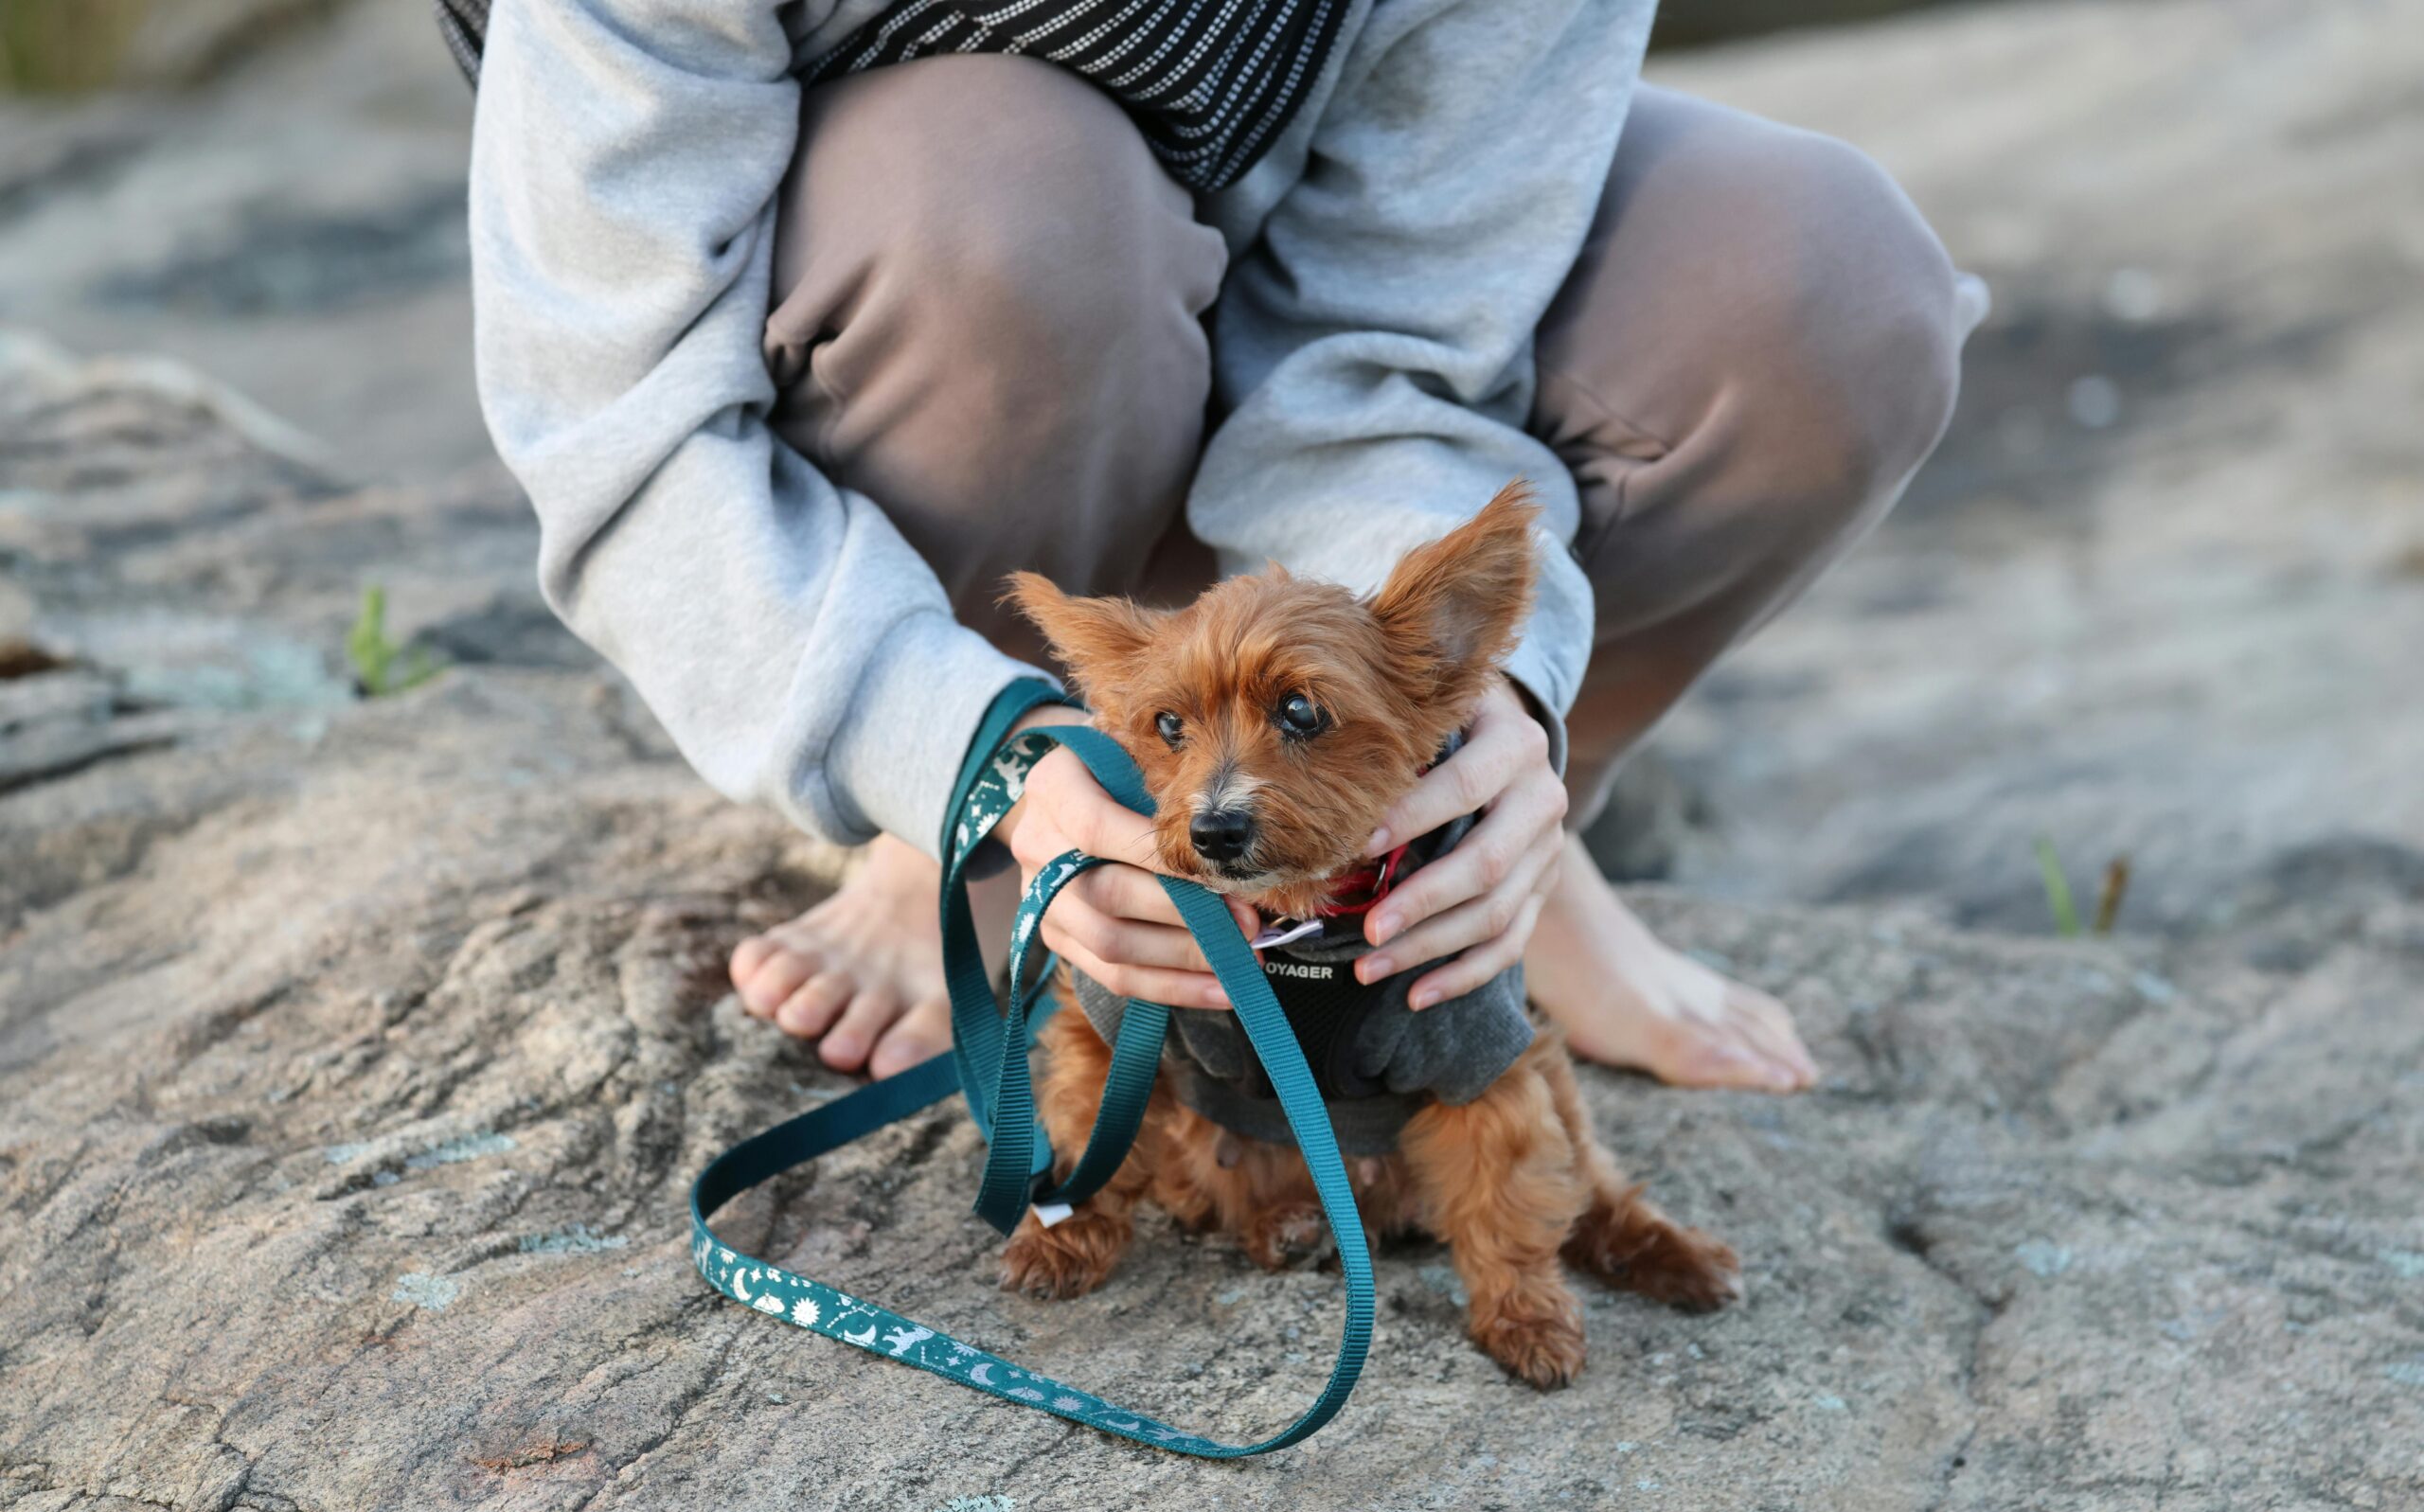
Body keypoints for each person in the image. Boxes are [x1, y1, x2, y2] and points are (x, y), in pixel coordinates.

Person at [465, 0, 1987, 1097]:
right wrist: (946, 744)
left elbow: (1390, 365)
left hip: (1262, 295)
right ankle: (971, 834)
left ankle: (1452, 860)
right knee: (1008, 185)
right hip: (927, 302)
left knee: (1823, 283)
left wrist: (1477, 704)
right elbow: (616, 418)